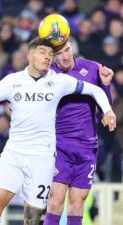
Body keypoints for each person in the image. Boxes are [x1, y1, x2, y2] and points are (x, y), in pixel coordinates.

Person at [0, 37, 116, 225]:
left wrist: (107, 110)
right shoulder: (12, 81)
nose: (48, 57)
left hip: (43, 157)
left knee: (33, 218)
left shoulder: (59, 81)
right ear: (29, 55)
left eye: (50, 54)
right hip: (14, 153)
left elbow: (94, 91)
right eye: (43, 52)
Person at [43, 40, 115, 225]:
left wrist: (106, 85)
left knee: (77, 202)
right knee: (55, 199)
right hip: (60, 145)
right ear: (53, 56)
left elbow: (105, 104)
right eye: (59, 53)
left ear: (72, 48)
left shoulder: (91, 68)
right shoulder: (48, 74)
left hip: (87, 147)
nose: (65, 56)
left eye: (67, 50)